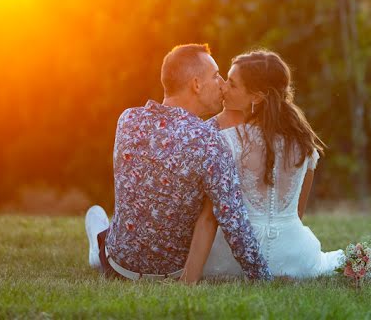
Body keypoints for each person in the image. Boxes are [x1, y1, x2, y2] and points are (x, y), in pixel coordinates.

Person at [84, 43, 271, 282]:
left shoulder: (128, 120)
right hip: (171, 274)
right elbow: (234, 221)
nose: (223, 84)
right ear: (196, 84)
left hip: (119, 267)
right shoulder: (210, 142)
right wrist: (263, 278)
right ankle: (99, 239)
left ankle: (100, 241)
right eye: (215, 76)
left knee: (113, 224)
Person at [202, 50, 344, 278]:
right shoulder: (303, 143)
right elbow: (298, 212)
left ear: (256, 97)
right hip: (295, 256)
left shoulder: (226, 140)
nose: (223, 87)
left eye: (232, 83)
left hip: (233, 258)